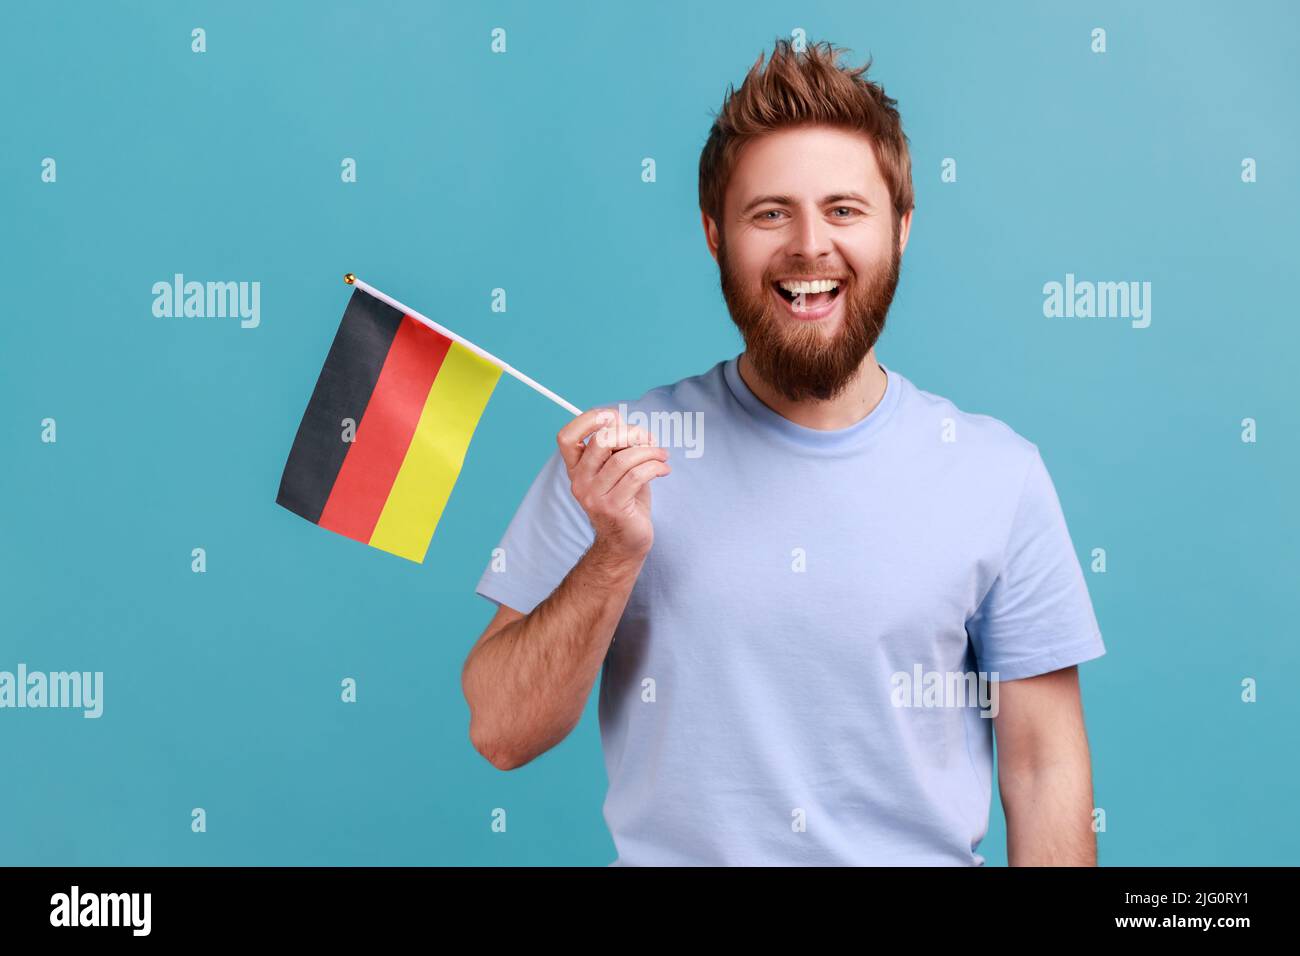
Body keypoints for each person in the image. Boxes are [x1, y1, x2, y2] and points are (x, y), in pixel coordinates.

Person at [461, 38, 1106, 866]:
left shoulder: (998, 475)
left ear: (901, 229)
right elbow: (501, 731)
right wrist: (612, 555)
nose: (809, 245)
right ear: (714, 235)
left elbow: (1045, 768)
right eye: (770, 213)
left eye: (844, 210)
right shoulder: (613, 460)